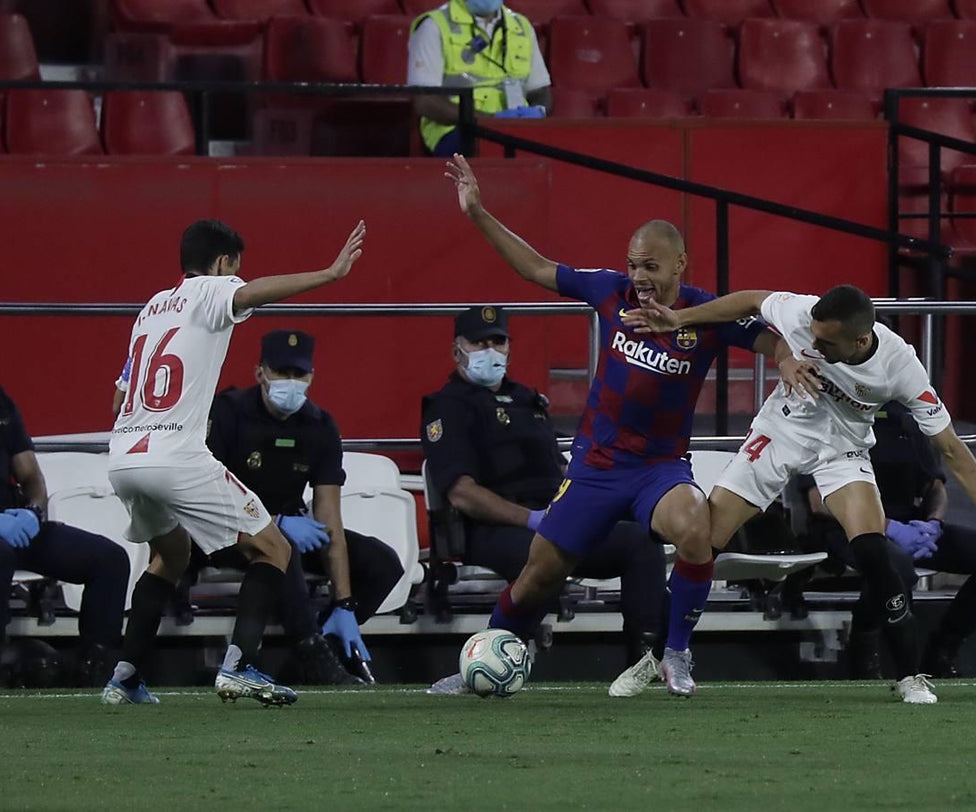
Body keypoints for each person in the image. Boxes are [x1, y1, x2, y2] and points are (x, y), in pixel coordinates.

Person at [437, 155, 796, 698]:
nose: (640, 278)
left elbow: (767, 336)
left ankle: (675, 653)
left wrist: (788, 358)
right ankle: (482, 664)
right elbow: (536, 267)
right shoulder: (609, 293)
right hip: (595, 469)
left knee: (695, 528)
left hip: (658, 469)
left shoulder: (705, 314)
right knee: (539, 576)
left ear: (680, 264)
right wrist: (479, 213)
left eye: (651, 266)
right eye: (633, 265)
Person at [623, 284, 976, 704]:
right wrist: (681, 318)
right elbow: (752, 300)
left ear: (861, 340)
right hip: (780, 432)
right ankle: (664, 653)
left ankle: (910, 676)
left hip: (842, 450)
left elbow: (951, 449)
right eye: (812, 335)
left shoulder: (900, 366)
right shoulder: (803, 314)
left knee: (874, 553)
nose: (814, 345)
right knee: (704, 542)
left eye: (826, 343)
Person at [102, 217, 366, 706]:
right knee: (276, 550)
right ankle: (240, 665)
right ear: (223, 264)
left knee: (171, 557)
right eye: (236, 270)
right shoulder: (210, 292)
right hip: (175, 456)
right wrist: (329, 274)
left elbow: (118, 399)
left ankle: (126, 675)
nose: (239, 280)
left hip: (123, 455)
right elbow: (252, 295)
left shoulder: (151, 310)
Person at [422, 305, 668, 695]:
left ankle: (644, 663)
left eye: (498, 341)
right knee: (544, 552)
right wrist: (532, 519)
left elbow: (561, 469)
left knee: (638, 542)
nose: (491, 349)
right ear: (458, 351)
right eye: (479, 342)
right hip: (494, 529)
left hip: (556, 518)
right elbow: (461, 492)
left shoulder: (527, 401)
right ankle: (488, 659)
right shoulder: (446, 406)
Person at [203, 329, 405, 685]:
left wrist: (345, 603)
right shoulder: (229, 412)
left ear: (311, 376)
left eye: (300, 374)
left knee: (382, 562)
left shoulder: (320, 426)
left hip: (287, 531)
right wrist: (274, 521)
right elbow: (209, 490)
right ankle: (310, 650)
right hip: (227, 530)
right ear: (260, 372)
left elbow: (329, 516)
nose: (291, 382)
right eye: (282, 373)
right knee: (282, 545)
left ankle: (322, 648)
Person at [795, 402, 976, 679]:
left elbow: (934, 486)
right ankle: (864, 643)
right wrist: (889, 528)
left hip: (911, 525)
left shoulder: (903, 421)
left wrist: (933, 524)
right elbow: (820, 502)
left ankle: (942, 649)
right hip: (846, 529)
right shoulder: (825, 418)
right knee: (893, 563)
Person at [0, 301, 130, 688]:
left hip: (8, 522)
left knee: (109, 559)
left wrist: (33, 512)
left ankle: (97, 665)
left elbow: (30, 474)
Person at [407, 0, 552, 157]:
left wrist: (538, 111)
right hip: (456, 129)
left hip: (517, 128)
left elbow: (540, 91)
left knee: (558, 152)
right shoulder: (433, 26)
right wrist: (490, 121)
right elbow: (425, 102)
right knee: (496, 151)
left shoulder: (521, 26)